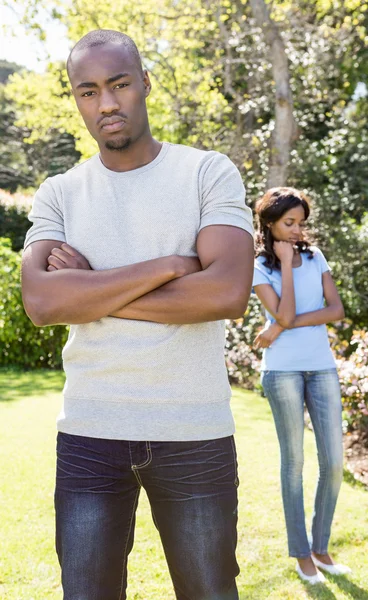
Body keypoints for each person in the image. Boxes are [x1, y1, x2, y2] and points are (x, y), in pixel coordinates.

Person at [21, 29, 254, 600]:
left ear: (145, 83)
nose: (106, 103)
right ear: (75, 98)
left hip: (193, 429)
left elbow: (224, 294)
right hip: (89, 433)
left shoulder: (207, 172)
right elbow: (43, 303)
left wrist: (91, 287)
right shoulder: (58, 192)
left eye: (120, 84)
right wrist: (173, 265)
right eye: (88, 91)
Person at [252, 187, 351, 585]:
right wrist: (287, 268)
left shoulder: (317, 256)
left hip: (321, 366)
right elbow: (291, 312)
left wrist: (278, 326)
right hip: (283, 371)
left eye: (300, 223)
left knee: (334, 463)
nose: (296, 231)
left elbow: (336, 310)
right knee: (293, 464)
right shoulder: (258, 266)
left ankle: (321, 547)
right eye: (288, 223)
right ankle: (301, 553)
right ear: (270, 223)